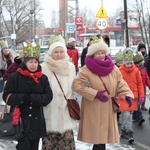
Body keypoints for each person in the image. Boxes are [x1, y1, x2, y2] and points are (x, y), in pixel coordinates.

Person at [73, 38, 134, 150]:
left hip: (107, 106)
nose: (101, 55)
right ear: (92, 55)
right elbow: (77, 86)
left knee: (103, 139)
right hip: (93, 107)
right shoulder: (86, 70)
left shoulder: (113, 68)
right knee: (97, 139)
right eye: (98, 53)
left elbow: (121, 83)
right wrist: (94, 93)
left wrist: (127, 94)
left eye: (103, 53)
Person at [2, 42, 53, 150]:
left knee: (34, 147)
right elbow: (6, 96)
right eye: (30, 61)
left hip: (36, 121)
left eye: (35, 62)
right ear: (25, 62)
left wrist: (32, 99)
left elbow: (48, 97)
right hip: (20, 120)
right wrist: (23, 98)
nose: (33, 64)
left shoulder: (42, 78)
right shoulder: (14, 77)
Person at [41, 35, 77, 150]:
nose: (59, 54)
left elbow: (74, 85)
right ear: (51, 53)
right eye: (56, 52)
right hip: (49, 111)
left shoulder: (71, 67)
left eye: (62, 51)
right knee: (50, 144)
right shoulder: (43, 67)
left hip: (66, 110)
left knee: (67, 143)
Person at [118, 48, 145, 143]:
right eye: (127, 63)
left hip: (134, 98)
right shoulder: (120, 71)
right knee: (126, 115)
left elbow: (140, 84)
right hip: (124, 98)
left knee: (129, 115)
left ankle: (123, 131)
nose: (129, 65)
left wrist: (142, 96)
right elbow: (117, 85)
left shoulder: (136, 71)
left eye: (130, 63)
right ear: (124, 63)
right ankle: (130, 133)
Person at [132, 51, 150, 124]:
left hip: (142, 89)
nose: (143, 62)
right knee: (137, 104)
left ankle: (135, 115)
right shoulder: (134, 70)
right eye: (142, 61)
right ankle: (139, 117)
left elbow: (147, 79)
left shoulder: (144, 69)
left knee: (138, 104)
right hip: (135, 90)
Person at [114, 51, 123, 125]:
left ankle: (118, 118)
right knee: (115, 106)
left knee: (119, 107)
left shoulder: (123, 69)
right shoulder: (114, 70)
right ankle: (116, 119)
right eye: (119, 63)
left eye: (121, 63)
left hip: (120, 90)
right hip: (115, 90)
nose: (120, 64)